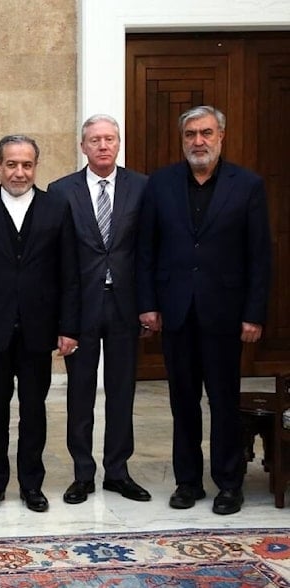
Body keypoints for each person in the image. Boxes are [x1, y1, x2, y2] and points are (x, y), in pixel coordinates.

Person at [137, 105, 271, 515]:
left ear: (221, 137)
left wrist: (254, 313)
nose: (198, 141)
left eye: (206, 133)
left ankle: (229, 484)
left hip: (226, 314)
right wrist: (148, 305)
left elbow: (259, 255)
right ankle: (187, 482)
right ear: (182, 140)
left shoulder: (246, 185)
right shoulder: (159, 184)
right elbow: (146, 250)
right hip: (176, 312)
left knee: (224, 400)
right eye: (191, 134)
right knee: (182, 402)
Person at [0, 135, 80, 514]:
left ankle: (32, 485)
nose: (19, 172)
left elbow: (70, 275)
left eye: (27, 165)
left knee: (34, 411)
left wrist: (68, 327)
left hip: (39, 330)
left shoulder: (57, 208)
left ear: (35, 168)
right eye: (12, 164)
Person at [47, 115, 151, 505]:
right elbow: (55, 259)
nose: (103, 145)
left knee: (122, 391)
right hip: (80, 307)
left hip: (126, 306)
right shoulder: (61, 191)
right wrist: (61, 318)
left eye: (109, 139)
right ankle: (82, 473)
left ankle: (118, 471)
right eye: (95, 140)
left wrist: (149, 306)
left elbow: (148, 250)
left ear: (118, 144)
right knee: (80, 392)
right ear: (83, 146)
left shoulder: (142, 187)